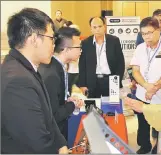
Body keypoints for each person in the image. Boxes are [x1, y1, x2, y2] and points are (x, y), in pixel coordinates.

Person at [1, 8, 69, 153]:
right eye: (51, 38)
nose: (54, 45)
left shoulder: (26, 67)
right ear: (33, 39)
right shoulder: (17, 80)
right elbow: (37, 143)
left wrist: (61, 143)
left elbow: (48, 117)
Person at [130, 17, 161, 154]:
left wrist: (155, 87)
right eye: (143, 34)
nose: (147, 36)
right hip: (143, 92)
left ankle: (158, 146)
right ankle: (145, 145)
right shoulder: (140, 48)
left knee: (160, 123)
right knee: (143, 122)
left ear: (158, 30)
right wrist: (147, 86)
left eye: (150, 32)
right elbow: (135, 70)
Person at [38, 27, 83, 140]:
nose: (81, 51)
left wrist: (65, 100)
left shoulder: (58, 67)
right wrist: (72, 105)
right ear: (66, 49)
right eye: (79, 47)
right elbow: (53, 115)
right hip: (52, 135)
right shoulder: (51, 74)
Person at [79, 17, 125, 98]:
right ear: (91, 29)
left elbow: (120, 63)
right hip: (92, 81)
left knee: (111, 107)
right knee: (92, 108)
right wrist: (82, 84)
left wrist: (117, 80)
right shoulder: (86, 43)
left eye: (100, 26)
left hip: (111, 79)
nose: (97, 29)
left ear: (105, 26)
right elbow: (82, 65)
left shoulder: (114, 41)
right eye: (94, 27)